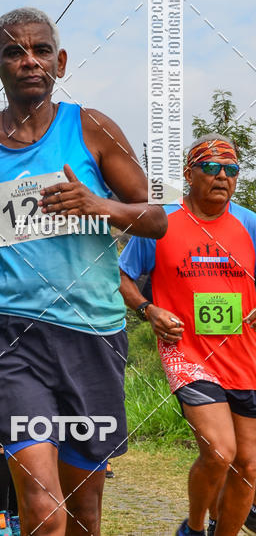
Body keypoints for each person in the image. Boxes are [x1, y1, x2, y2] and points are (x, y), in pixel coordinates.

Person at [0, 7, 167, 536]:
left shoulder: (93, 128)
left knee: (84, 511)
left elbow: (154, 218)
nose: (29, 61)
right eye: (15, 52)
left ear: (59, 63)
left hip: (92, 335)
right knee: (41, 505)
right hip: (5, 337)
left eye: (40, 51)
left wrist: (98, 205)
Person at [119, 134, 256, 536]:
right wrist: (148, 309)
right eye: (211, 168)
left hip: (244, 356)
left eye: (231, 170)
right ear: (189, 174)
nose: (222, 177)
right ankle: (194, 529)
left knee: (247, 465)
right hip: (187, 352)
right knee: (219, 450)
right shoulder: (161, 222)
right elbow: (123, 277)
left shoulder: (249, 223)